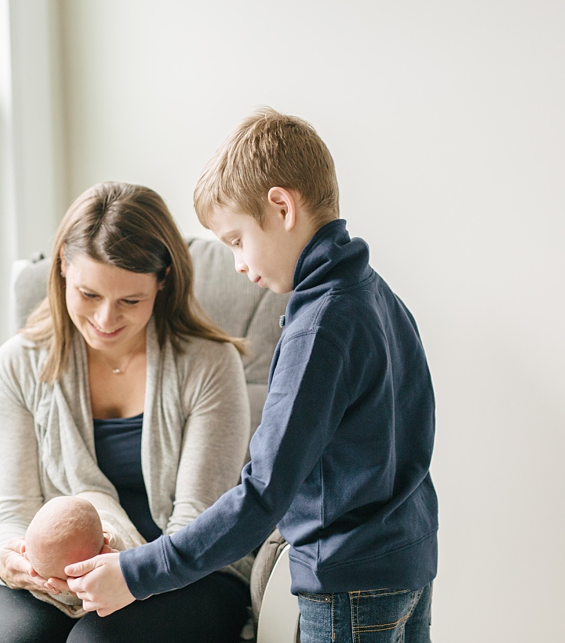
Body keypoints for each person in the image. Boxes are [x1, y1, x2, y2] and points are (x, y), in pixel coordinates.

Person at [66, 109, 439, 643]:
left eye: (237, 239)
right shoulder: (376, 294)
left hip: (349, 581)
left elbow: (263, 493)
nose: (238, 263)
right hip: (410, 559)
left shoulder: (319, 327)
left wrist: (135, 574)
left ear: (281, 207)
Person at [0, 182, 254, 643]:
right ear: (61, 270)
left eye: (130, 301)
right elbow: (13, 511)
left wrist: (129, 571)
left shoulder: (210, 364)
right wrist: (10, 561)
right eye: (89, 295)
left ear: (164, 280)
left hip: (187, 567)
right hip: (59, 571)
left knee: (96, 642)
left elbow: (197, 521)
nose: (105, 319)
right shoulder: (18, 363)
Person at [21, 496, 107, 614]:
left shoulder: (113, 554)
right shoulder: (31, 551)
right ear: (25, 552)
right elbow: (10, 515)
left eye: (75, 577)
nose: (60, 589)